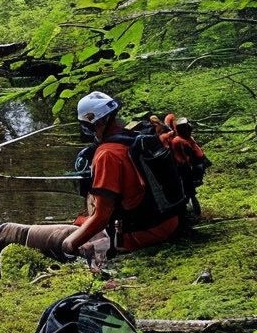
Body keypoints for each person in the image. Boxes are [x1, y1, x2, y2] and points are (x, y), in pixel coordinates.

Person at [58, 91, 181, 259]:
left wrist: (69, 244)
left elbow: (102, 218)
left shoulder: (107, 155)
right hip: (170, 221)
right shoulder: (135, 137)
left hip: (142, 232)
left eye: (88, 127)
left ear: (99, 123)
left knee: (64, 232)